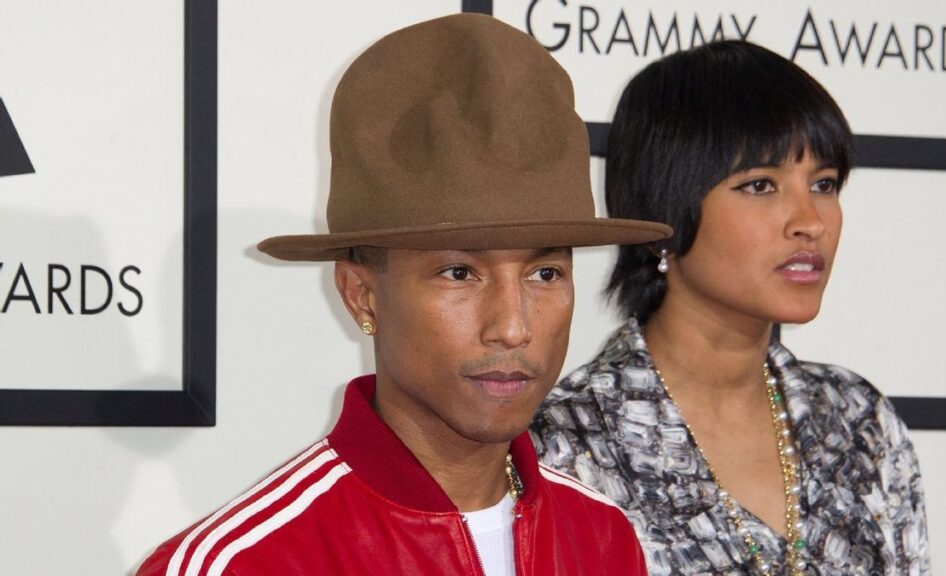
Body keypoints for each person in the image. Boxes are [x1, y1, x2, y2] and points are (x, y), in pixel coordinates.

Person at [136, 13, 671, 576]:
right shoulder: (243, 565)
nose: (514, 327)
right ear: (362, 296)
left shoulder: (602, 537)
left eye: (545, 274)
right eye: (460, 273)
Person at [531, 41, 930, 576]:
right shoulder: (566, 445)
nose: (809, 220)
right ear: (661, 213)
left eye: (824, 183)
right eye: (761, 185)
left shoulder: (856, 420)